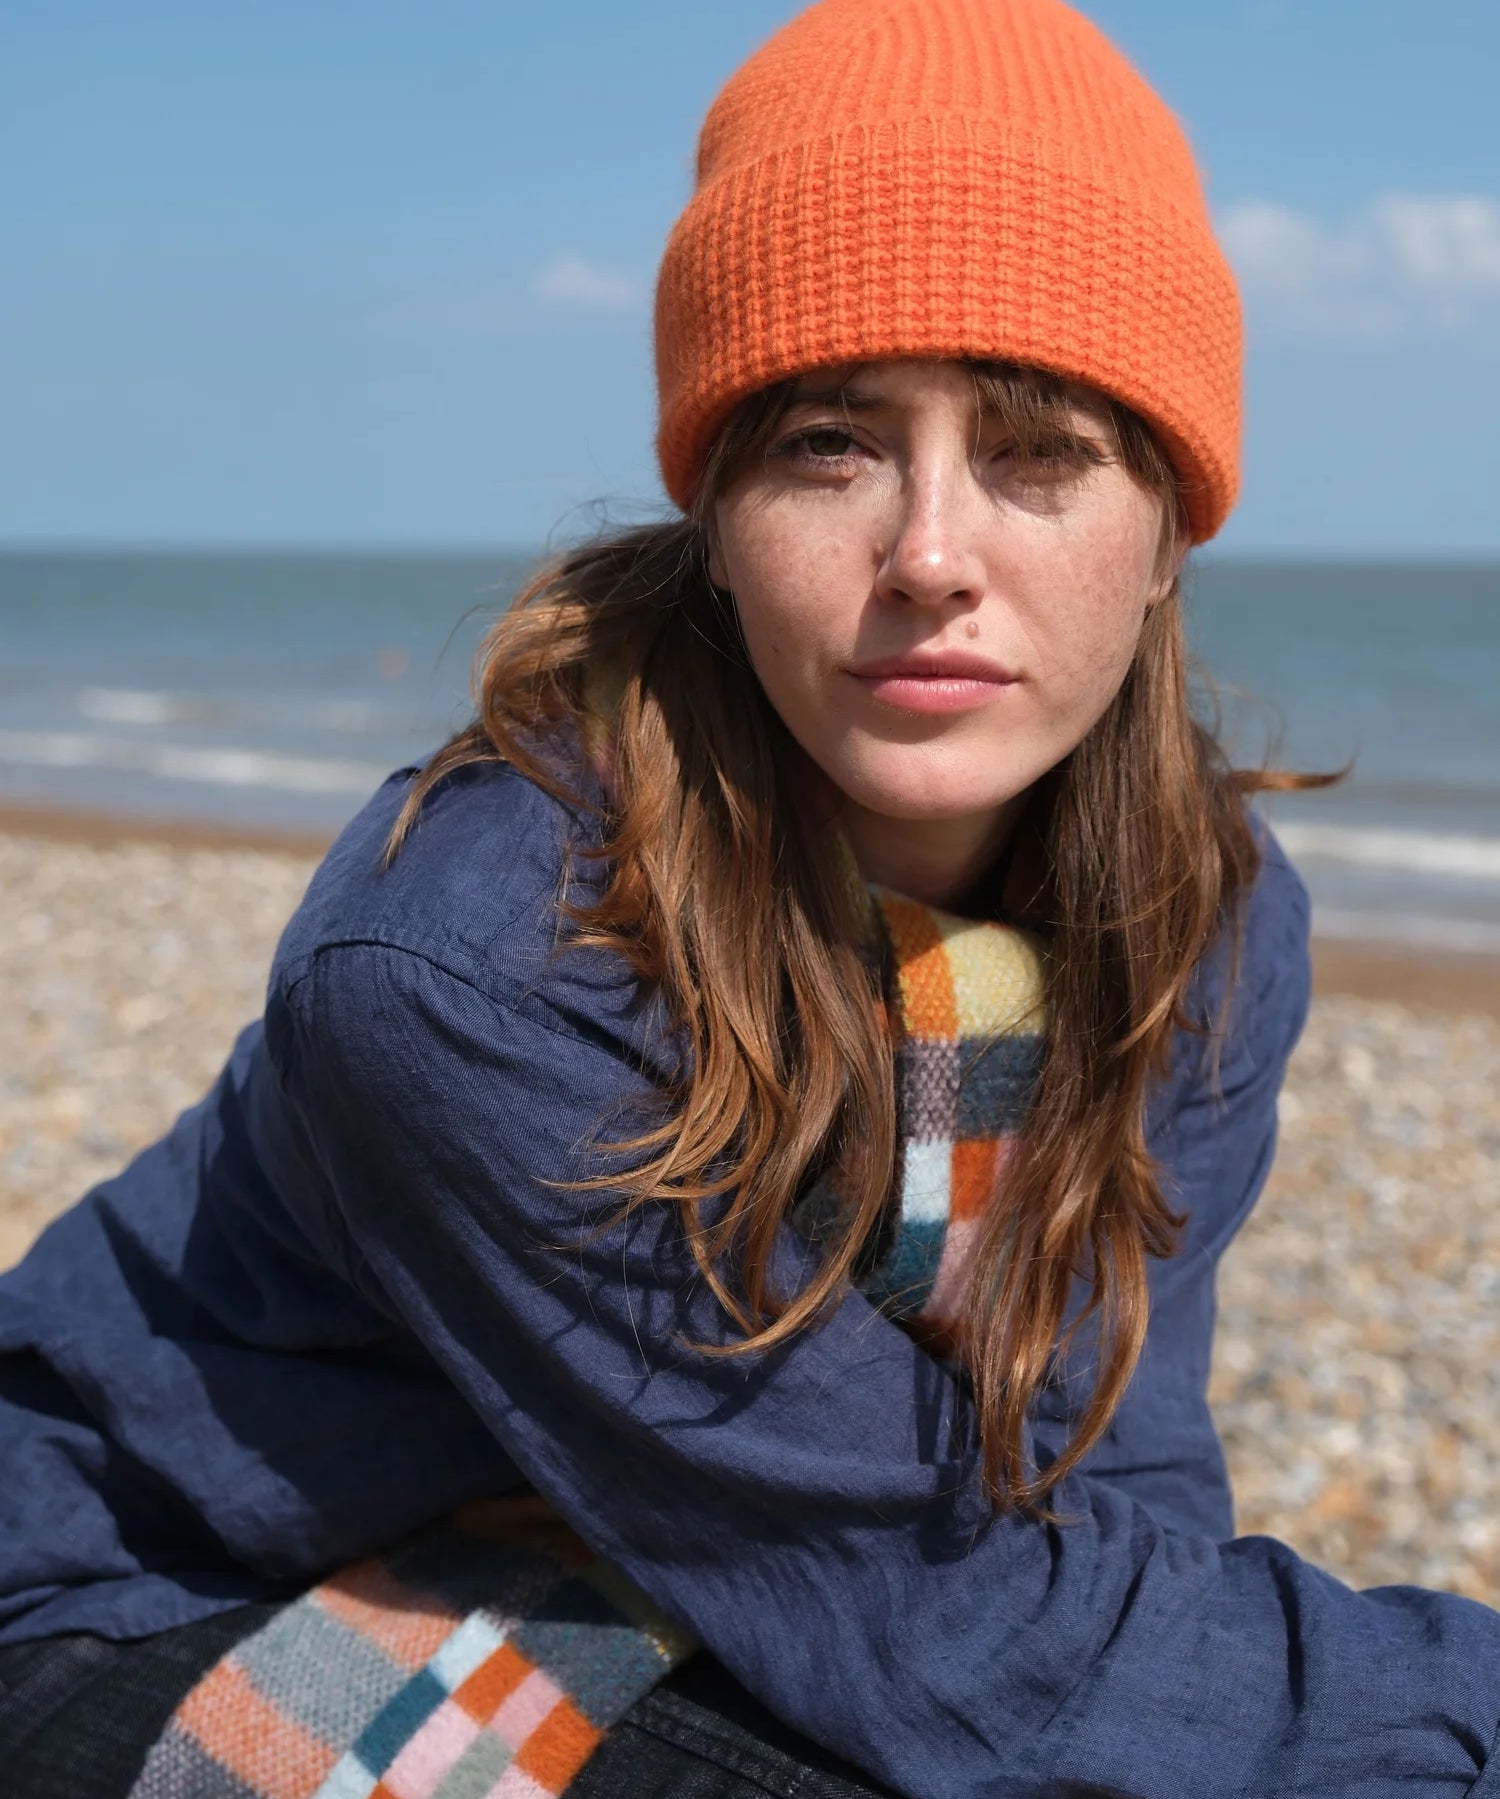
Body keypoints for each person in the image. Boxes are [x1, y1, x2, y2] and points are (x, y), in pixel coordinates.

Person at [3, 1, 1499, 1795]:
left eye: (1038, 450)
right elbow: (933, 1626)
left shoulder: (1215, 926)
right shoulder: (474, 963)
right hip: (153, 1589)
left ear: (1173, 523)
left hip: (652, 1544)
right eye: (830, 445)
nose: (932, 555)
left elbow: (1106, 1466)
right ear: (713, 508)